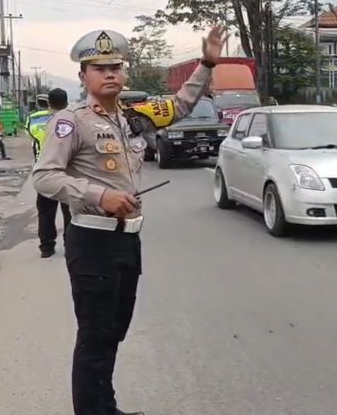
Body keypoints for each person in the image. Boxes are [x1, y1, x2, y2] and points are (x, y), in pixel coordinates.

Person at [32, 27, 227, 415]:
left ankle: (106, 407)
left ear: (125, 73)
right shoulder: (70, 122)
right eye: (99, 67)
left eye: (116, 67)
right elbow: (44, 176)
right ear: (83, 75)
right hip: (92, 241)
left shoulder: (134, 118)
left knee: (114, 332)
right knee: (95, 335)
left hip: (127, 240)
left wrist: (207, 63)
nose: (110, 74)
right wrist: (99, 195)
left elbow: (183, 103)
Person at [27, 88, 72, 258]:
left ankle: (46, 247)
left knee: (45, 212)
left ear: (48, 103)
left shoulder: (34, 118)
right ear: (66, 102)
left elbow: (31, 137)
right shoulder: (73, 118)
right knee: (69, 210)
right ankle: (70, 244)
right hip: (67, 170)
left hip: (44, 169)